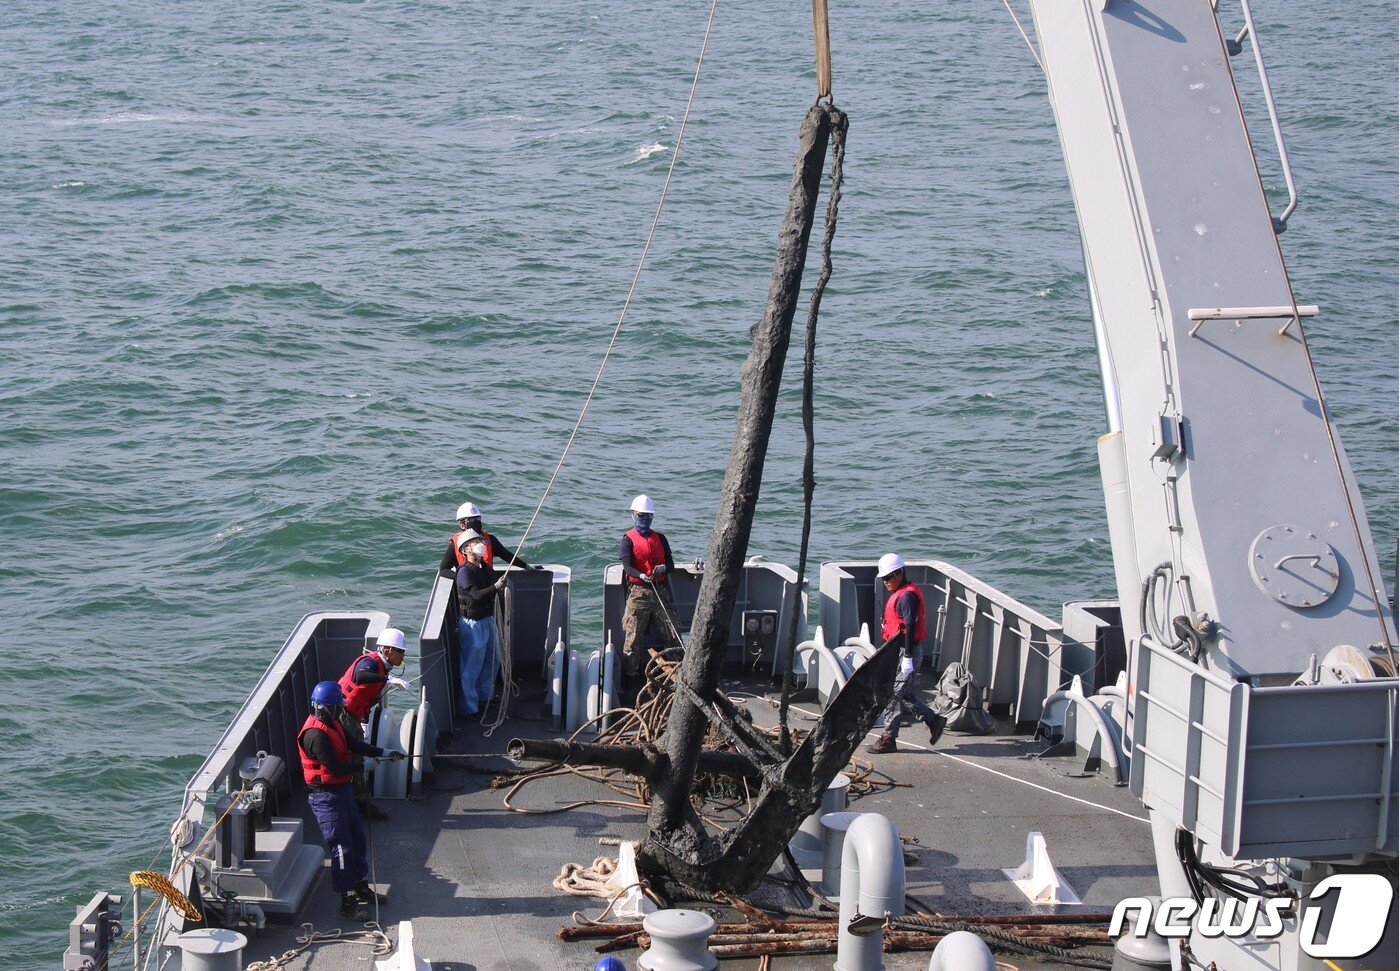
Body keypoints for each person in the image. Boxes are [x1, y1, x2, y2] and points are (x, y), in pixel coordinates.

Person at [298, 681, 404, 921]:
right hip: (325, 796)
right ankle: (347, 901)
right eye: (336, 707)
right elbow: (334, 767)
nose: (340, 711)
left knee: (356, 838)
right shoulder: (315, 735)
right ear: (325, 708)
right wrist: (363, 766)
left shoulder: (332, 723)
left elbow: (353, 745)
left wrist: (383, 753)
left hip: (342, 790)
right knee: (341, 848)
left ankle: (360, 885)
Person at [867, 553, 946, 754]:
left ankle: (888, 739)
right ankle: (933, 720)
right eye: (883, 578)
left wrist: (908, 657)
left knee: (894, 694)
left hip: (906, 652)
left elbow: (910, 626)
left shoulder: (907, 597)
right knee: (906, 693)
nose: (885, 582)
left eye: (887, 578)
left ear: (899, 574)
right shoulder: (902, 593)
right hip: (898, 651)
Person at [336, 628, 412, 821]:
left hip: (353, 716)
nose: (402, 655)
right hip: (344, 715)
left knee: (357, 756)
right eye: (400, 651)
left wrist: (364, 721)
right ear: (387, 650)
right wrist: (389, 679)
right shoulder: (370, 663)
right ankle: (356, 805)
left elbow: (366, 698)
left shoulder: (381, 667)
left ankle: (357, 803)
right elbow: (361, 677)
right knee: (353, 759)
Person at [618, 493, 683, 703]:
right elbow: (627, 565)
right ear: (633, 515)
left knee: (672, 633)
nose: (645, 519)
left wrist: (663, 567)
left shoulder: (660, 538)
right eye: (641, 515)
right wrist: (640, 574)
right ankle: (631, 681)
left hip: (660, 591)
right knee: (633, 639)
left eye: (648, 516)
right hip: (638, 593)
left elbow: (671, 564)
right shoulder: (627, 539)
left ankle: (679, 674)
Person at [455, 534, 506, 715]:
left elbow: (491, 582)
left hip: (487, 619)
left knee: (493, 659)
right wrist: (495, 587)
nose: (481, 545)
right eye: (476, 543)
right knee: (472, 666)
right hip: (473, 624)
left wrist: (496, 584)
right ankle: (469, 708)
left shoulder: (483, 567)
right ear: (465, 549)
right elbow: (475, 595)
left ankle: (486, 696)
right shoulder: (464, 572)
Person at [438, 501, 530, 579]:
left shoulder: (490, 540)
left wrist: (526, 566)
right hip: (469, 590)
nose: (477, 522)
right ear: (462, 525)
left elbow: (507, 555)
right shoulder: (456, 545)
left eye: (478, 518)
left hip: (488, 586)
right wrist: (460, 577)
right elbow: (443, 570)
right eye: (473, 519)